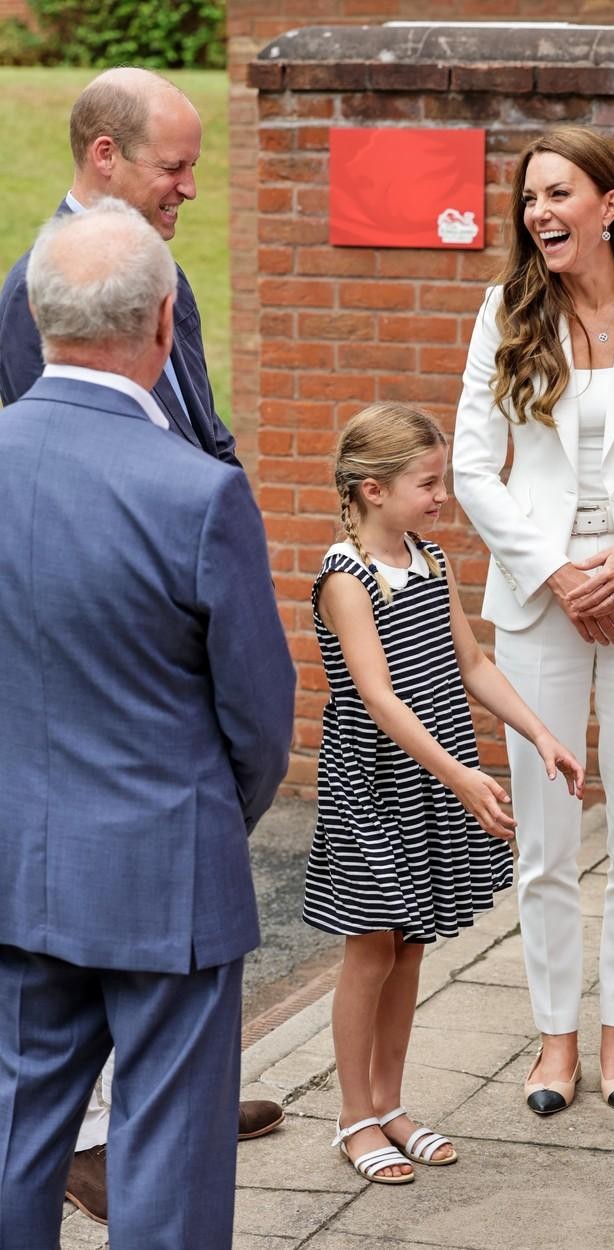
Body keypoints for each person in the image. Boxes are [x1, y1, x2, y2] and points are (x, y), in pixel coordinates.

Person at [0, 67, 284, 1223]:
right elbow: (261, 722)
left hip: (23, 854)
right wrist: (208, 810)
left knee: (18, 1135)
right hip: (168, 865)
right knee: (165, 1158)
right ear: (163, 325)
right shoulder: (200, 498)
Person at [452, 125, 614, 1117]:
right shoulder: (502, 310)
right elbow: (473, 467)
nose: (539, 214)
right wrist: (559, 573)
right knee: (547, 835)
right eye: (529, 199)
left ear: (610, 205)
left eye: (558, 193)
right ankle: (555, 1038)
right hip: (538, 603)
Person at [302, 402, 585, 1183]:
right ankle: (354, 1117)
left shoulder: (431, 561)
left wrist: (539, 732)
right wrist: (461, 775)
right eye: (428, 483)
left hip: (431, 782)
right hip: (374, 785)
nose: (442, 496)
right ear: (371, 490)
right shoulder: (345, 578)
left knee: (412, 940)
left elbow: (473, 666)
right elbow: (380, 697)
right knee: (370, 946)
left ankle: (392, 1105)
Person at [0, 65, 236, 464]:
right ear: (106, 155)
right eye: (171, 167)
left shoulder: (163, 271)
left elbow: (206, 430)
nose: (190, 189)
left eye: (192, 166)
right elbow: (55, 465)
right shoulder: (36, 288)